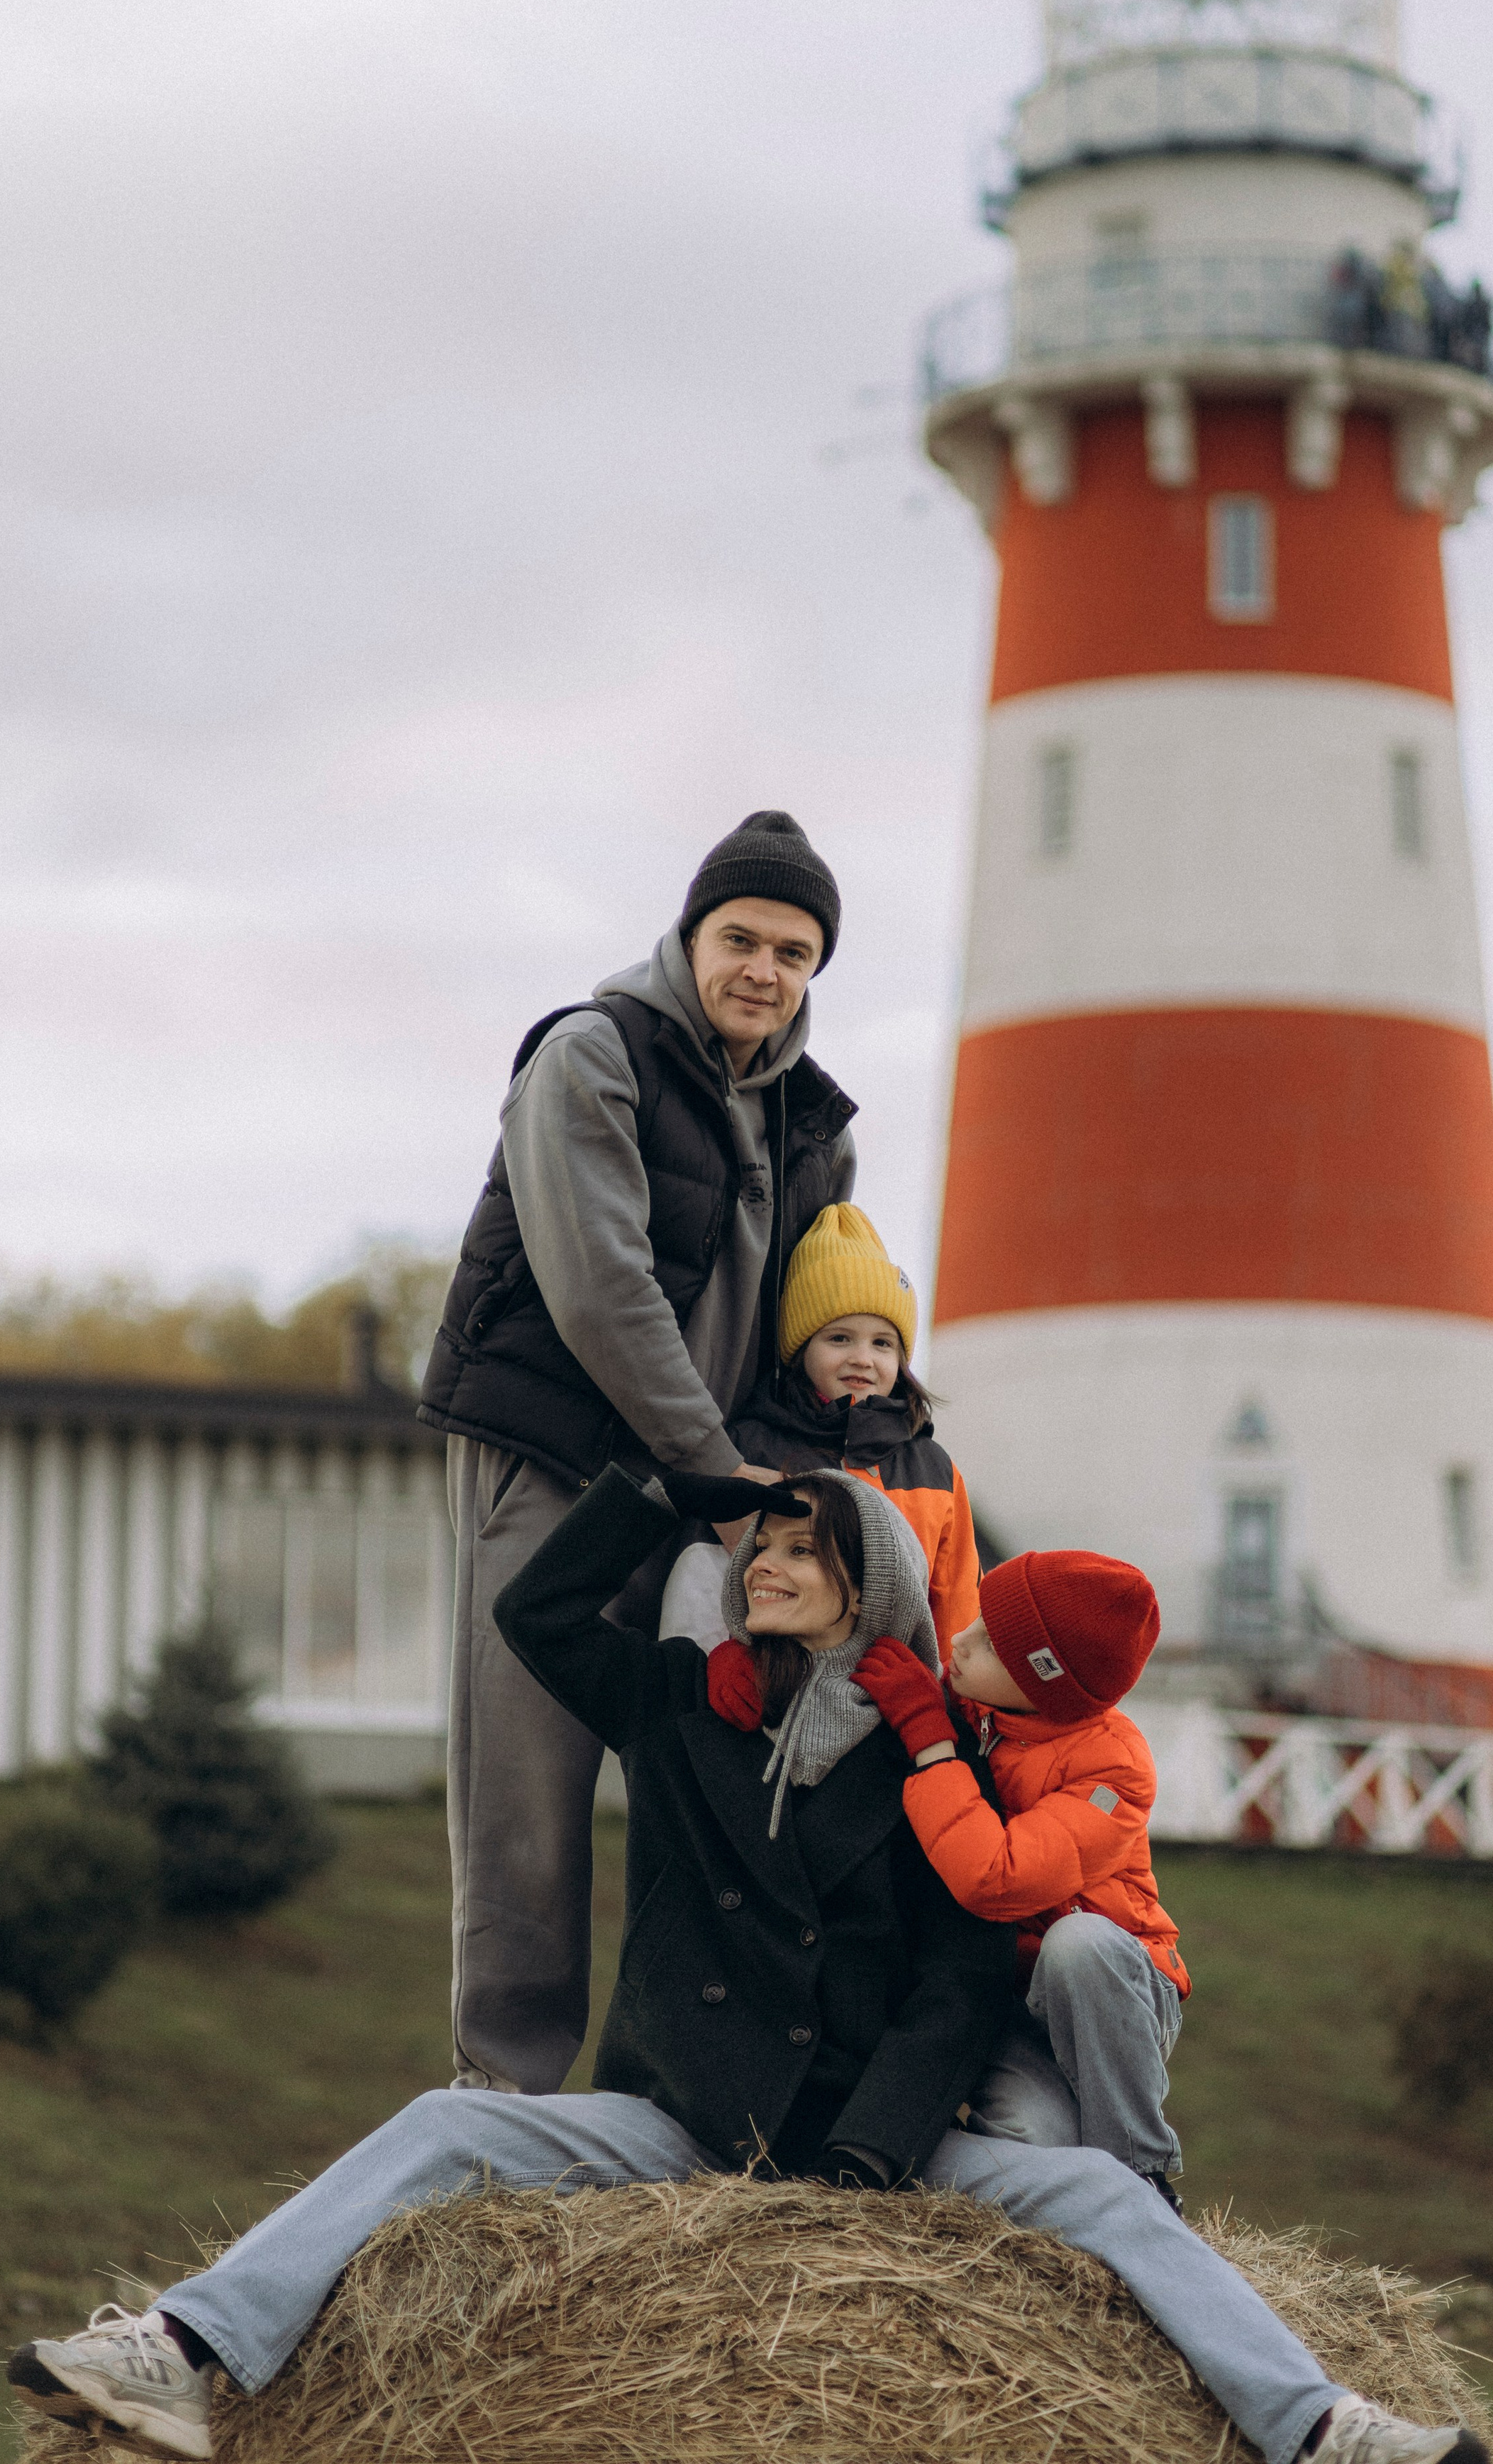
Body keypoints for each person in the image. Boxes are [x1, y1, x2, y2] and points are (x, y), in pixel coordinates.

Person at [10, 1469, 1487, 2464]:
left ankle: (1322, 2428)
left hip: (874, 2139)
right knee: (448, 2123)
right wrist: (667, 1492)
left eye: (800, 1550)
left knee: (1105, 2197)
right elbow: (533, 1615)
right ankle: (180, 2348)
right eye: (757, 1548)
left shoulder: (936, 1762)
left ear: (870, 1587)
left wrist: (869, 2152)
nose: (764, 1565)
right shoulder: (680, 1705)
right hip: (686, 2114)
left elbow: (961, 1983)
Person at [416, 808, 856, 2092]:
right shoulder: (590, 1056)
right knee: (527, 1801)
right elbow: (602, 1289)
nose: (763, 970)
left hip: (715, 1497)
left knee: (711, 1790)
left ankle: (679, 2096)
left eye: (793, 951)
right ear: (691, 934)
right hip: (557, 1472)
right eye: (741, 939)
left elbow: (817, 1329)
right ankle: (505, 2095)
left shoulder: (817, 1126)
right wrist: (717, 1473)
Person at [851, 1543, 1189, 2200]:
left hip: (1110, 1993)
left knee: (1079, 1943)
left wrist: (932, 1746)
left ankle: (1140, 2180)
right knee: (1029, 2153)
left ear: (1045, 1685)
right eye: (977, 1619)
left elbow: (996, 1878)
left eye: (990, 1644)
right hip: (1008, 2000)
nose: (960, 1640)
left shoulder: (1115, 1768)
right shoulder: (973, 1705)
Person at [660, 1202, 979, 1660]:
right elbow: (703, 1581)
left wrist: (950, 1700)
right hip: (774, 1685)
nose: (863, 1358)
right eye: (839, 1338)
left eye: (882, 1343)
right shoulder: (750, 1448)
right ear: (801, 1348)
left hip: (895, 1693)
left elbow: (958, 1609)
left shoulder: (934, 1469)